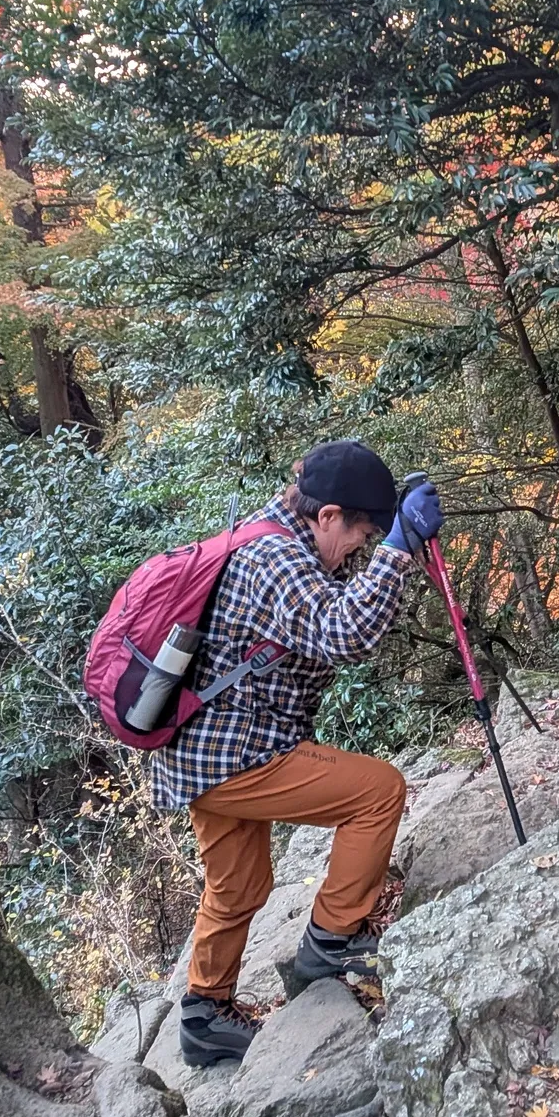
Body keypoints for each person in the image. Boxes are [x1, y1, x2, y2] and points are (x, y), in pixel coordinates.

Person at [151, 438, 443, 1066]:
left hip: (198, 751)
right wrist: (398, 549)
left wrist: (395, 534)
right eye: (360, 532)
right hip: (237, 752)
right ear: (328, 515)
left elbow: (336, 612)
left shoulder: (279, 538)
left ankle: (203, 1016)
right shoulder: (275, 560)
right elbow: (342, 632)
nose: (361, 546)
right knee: (378, 792)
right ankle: (331, 941)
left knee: (238, 885)